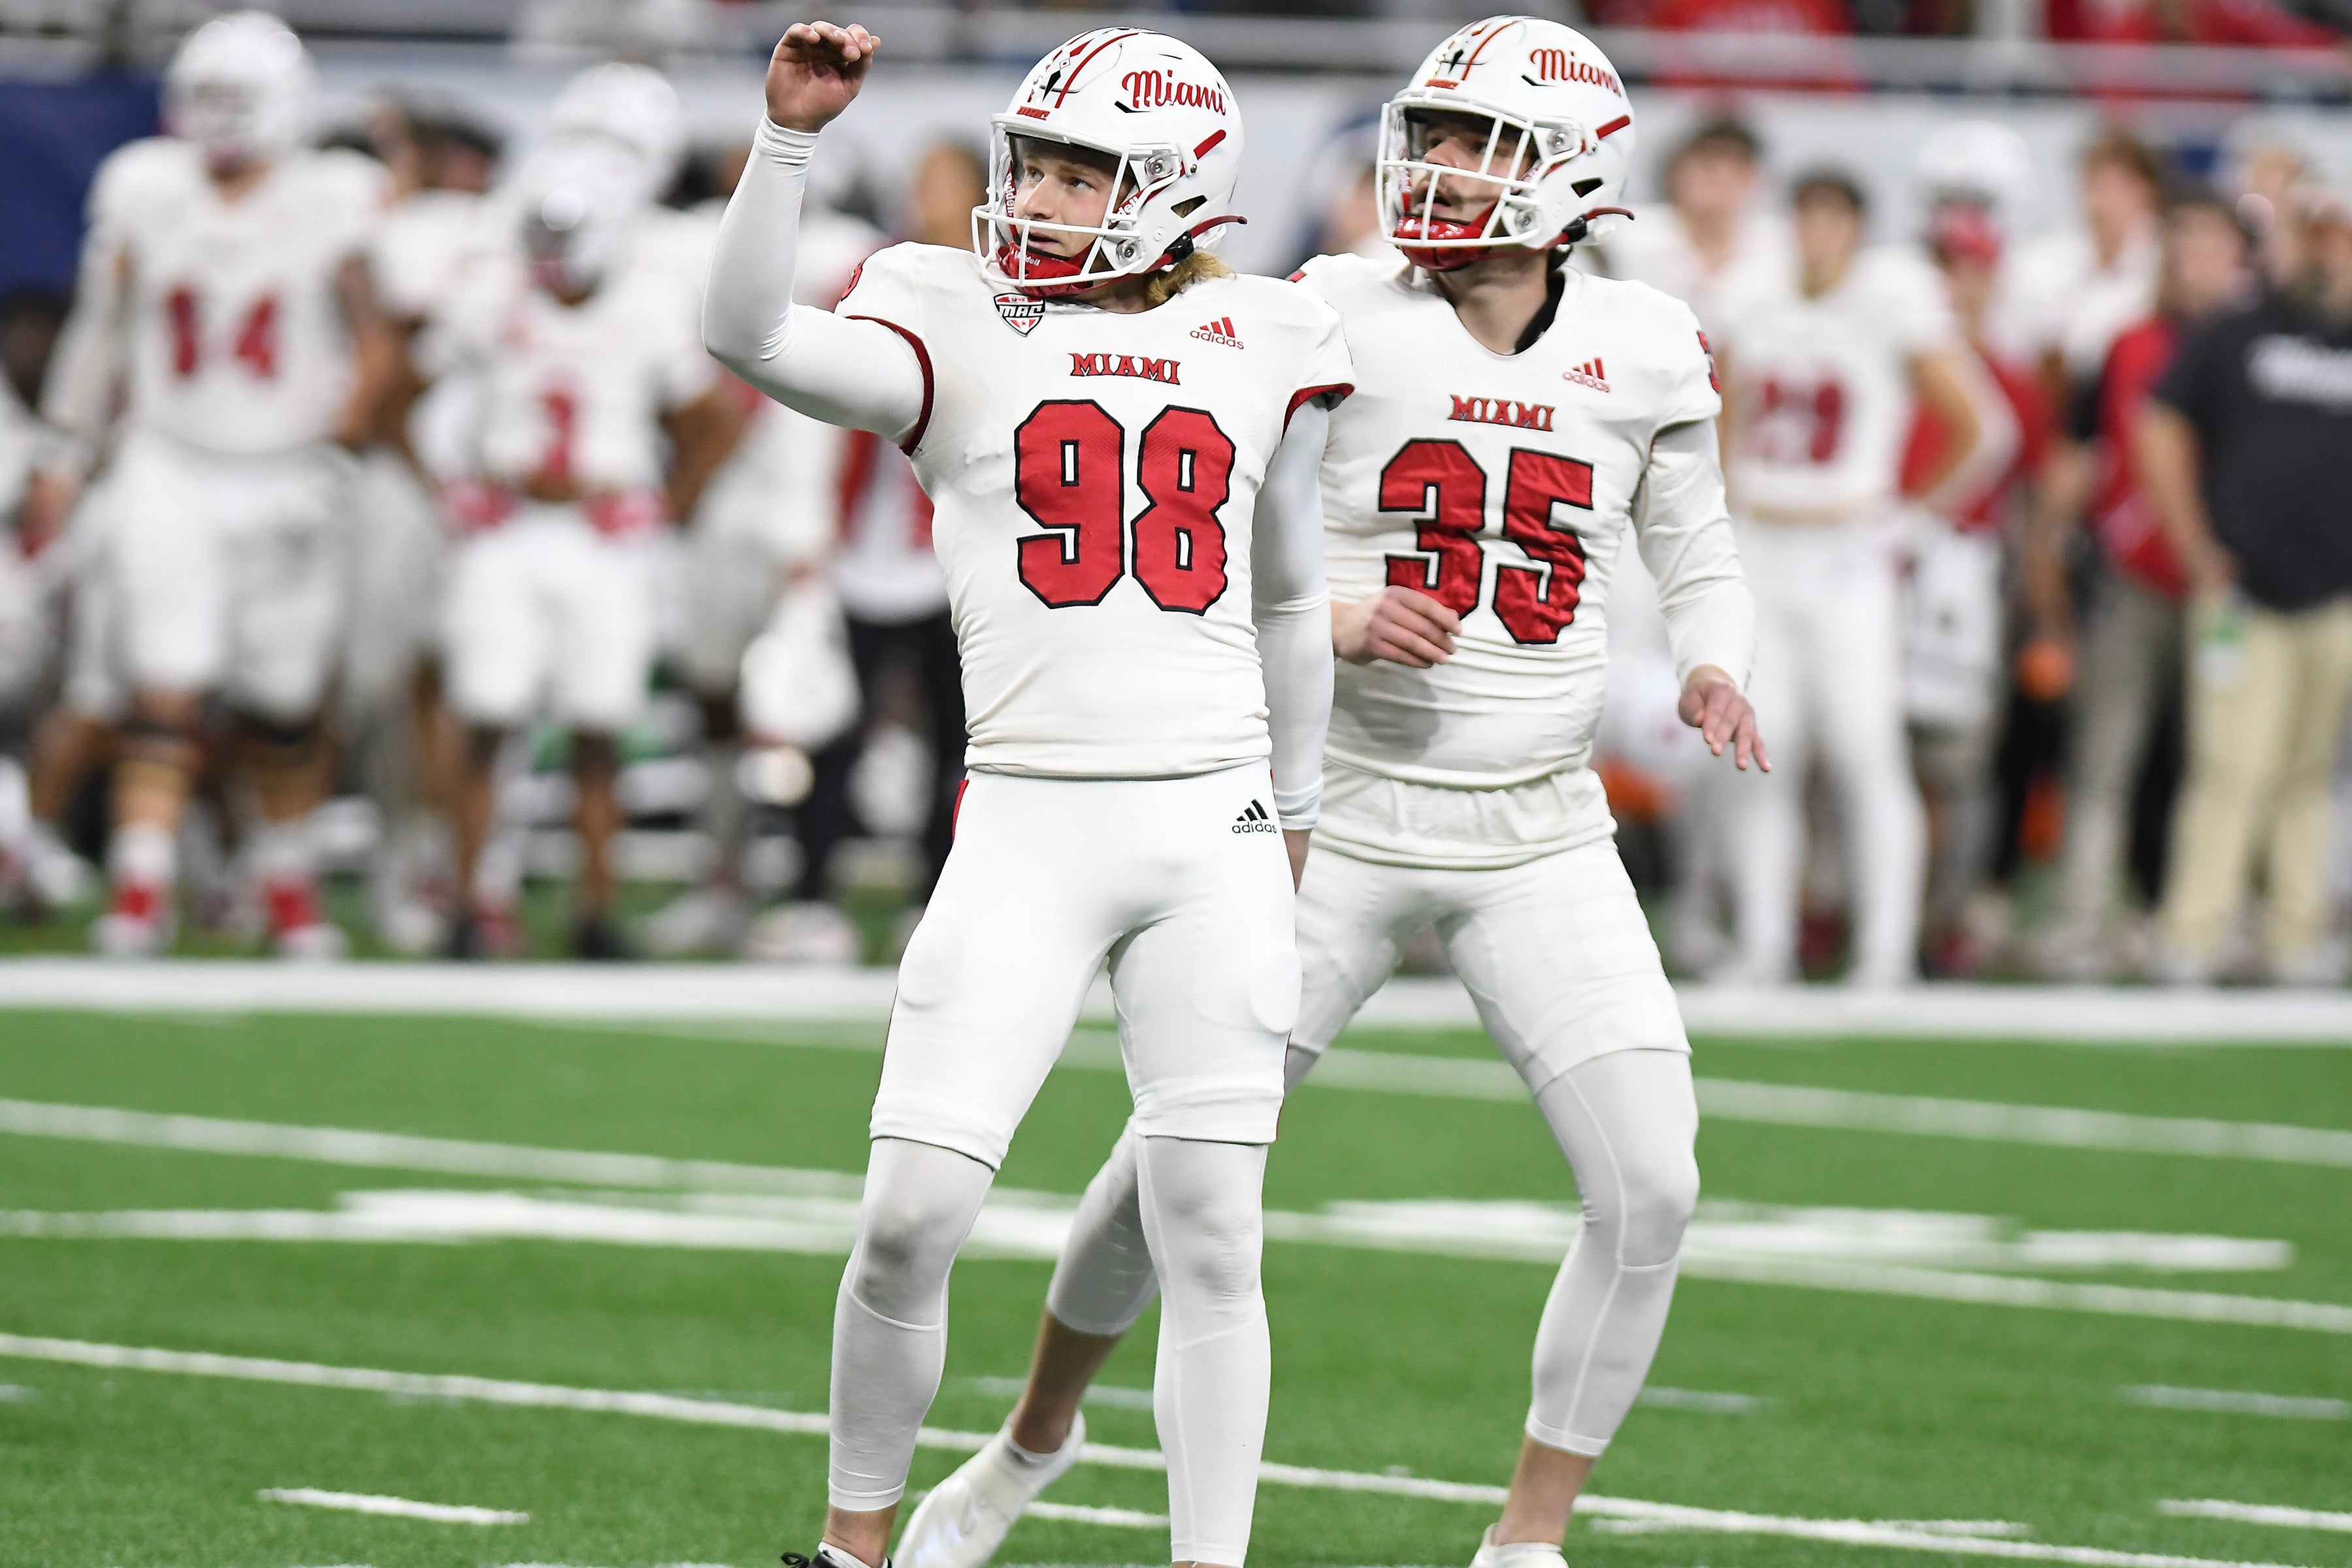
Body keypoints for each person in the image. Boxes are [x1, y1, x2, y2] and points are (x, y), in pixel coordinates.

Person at [898, 20, 1763, 1568]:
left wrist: (1715, 662)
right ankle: (1036, 1430)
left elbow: (1695, 545)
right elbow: (1201, 521)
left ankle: (1526, 1533)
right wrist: (1342, 611)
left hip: (1540, 824)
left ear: (1568, 169)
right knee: (1169, 1176)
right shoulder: (1322, 310)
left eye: (1471, 141)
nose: (1426, 167)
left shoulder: (1644, 342)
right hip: (1326, 811)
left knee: (1655, 1183)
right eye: (1424, 131)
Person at [703, 22, 1352, 1568]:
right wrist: (783, 142)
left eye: (1077, 170)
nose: (1037, 194)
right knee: (914, 1209)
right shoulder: (955, 313)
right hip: (1024, 813)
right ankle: (856, 1546)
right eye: (1033, 161)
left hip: (1213, 821)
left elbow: (1285, 597)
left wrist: (1298, 806)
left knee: (1211, 1225)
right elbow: (750, 338)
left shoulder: (1269, 332)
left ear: (1174, 187)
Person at [24, 10, 386, 958]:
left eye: (239, 100)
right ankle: (142, 890)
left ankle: (285, 887)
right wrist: (66, 454)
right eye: (209, 98)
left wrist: (345, 440)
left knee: (285, 702)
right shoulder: (143, 184)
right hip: (172, 459)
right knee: (163, 686)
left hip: (290, 467)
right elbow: (101, 330)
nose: (221, 120)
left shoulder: (336, 195)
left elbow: (376, 336)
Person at [417, 137, 745, 959]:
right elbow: (398, 387)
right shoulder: (493, 296)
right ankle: (471, 906)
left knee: (599, 727)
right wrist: (448, 485)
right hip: (512, 524)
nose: (556, 255)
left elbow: (716, 420)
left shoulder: (647, 304)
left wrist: (665, 506)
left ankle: (595, 911)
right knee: (487, 716)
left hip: (603, 534)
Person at [1712, 169, 1993, 986]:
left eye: (1833, 217)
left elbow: (1983, 429)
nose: (1816, 233)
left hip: (1846, 551)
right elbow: (1721, 407)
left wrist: (1912, 516)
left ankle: (1885, 951)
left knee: (1867, 751)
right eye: (1806, 215)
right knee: (1764, 752)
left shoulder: (1891, 299)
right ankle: (1763, 943)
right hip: (1765, 543)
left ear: (1858, 229)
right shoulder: (1753, 296)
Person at [756, 137, 985, 966]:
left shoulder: (1012, 294)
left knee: (957, 742)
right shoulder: (870, 278)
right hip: (864, 546)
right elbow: (806, 408)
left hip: (955, 555)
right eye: (922, 180)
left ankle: (937, 899)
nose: (930, 198)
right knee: (830, 730)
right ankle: (814, 896)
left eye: (946, 183)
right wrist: (806, 530)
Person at [2031, 190, 2251, 981]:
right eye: (2182, 240)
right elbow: (2078, 458)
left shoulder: (2256, 346)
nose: (2193, 257)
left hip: (2233, 586)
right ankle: (2079, 922)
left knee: (2222, 763)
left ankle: (2203, 922)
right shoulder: (2128, 345)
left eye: (2210, 242)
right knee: (2104, 759)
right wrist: (2048, 556)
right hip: (2134, 574)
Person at [2139, 180, 2352, 985]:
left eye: (2339, 235)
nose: (2329, 249)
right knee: (2229, 767)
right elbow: (2159, 427)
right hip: (2242, 590)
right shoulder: (2236, 331)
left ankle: (2295, 938)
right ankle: (2194, 935)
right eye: (2317, 234)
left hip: (2336, 593)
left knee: (2310, 773)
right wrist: (2194, 542)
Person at [1900, 195, 2051, 977]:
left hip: (1965, 577)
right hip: (1879, 569)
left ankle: (1942, 915)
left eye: (1965, 265)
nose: (1951, 282)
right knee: (1855, 751)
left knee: (1952, 761)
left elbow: (2033, 500)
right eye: (1940, 264)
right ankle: (1839, 906)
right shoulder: (1895, 353)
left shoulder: (2010, 376)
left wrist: (2041, 607)